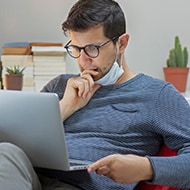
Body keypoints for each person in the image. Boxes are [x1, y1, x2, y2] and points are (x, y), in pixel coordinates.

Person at [1, 0, 190, 189]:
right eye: (76, 48)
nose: (83, 60)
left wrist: (146, 167)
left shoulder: (156, 95)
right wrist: (66, 106)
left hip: (81, 186)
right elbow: (17, 144)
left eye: (93, 48)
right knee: (5, 152)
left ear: (122, 43)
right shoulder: (59, 86)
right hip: (27, 177)